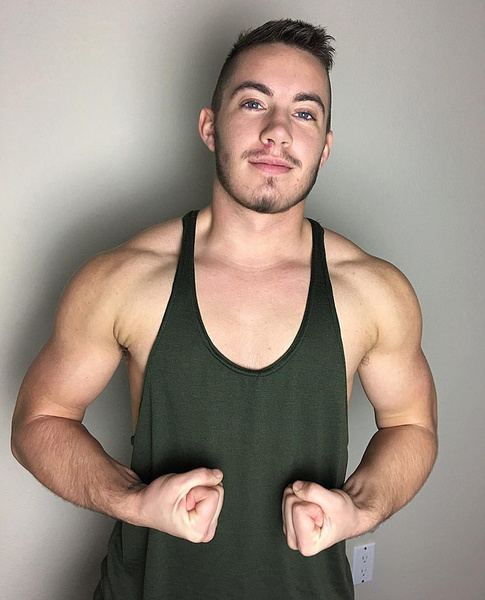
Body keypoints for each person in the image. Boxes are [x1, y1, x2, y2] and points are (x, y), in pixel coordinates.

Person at [11, 18, 437, 600]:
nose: (278, 131)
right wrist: (133, 501)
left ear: (325, 146)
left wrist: (357, 510)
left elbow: (412, 426)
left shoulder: (373, 291)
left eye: (305, 113)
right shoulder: (124, 278)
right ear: (210, 127)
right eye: (254, 103)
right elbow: (39, 421)